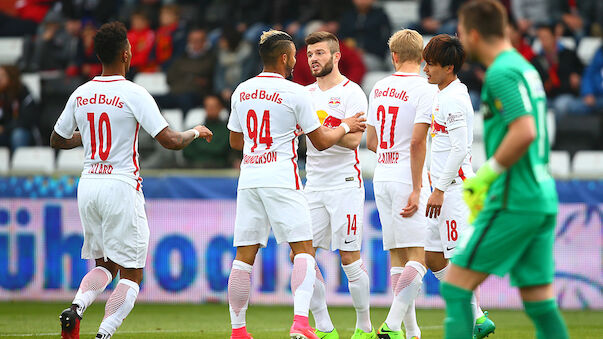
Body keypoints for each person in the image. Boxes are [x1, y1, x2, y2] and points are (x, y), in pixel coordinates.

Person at [51, 22, 212, 339]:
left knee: (106, 265)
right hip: (120, 186)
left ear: (98, 55)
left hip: (88, 185)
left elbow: (57, 139)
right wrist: (196, 131)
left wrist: (89, 137)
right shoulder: (134, 93)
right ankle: (104, 334)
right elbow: (170, 140)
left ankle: (77, 307)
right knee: (132, 274)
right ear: (126, 54)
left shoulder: (81, 93)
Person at [226, 29, 366, 339]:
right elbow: (322, 139)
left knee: (243, 257)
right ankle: (301, 324)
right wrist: (345, 125)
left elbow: (236, 140)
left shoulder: (241, 90)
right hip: (281, 177)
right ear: (284, 58)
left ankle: (238, 330)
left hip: (249, 177)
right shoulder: (296, 92)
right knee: (304, 251)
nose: (298, 62)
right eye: (294, 57)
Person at [443, 1, 570, 338]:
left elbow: (524, 130)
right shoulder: (523, 67)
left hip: (515, 197)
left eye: (460, 31)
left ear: (472, 33)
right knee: (539, 302)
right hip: (541, 195)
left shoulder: (501, 72)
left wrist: (486, 175)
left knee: (455, 287)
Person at [416, 34, 495, 339]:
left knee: (457, 259)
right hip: (442, 190)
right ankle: (476, 316)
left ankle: (473, 318)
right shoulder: (443, 93)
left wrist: (438, 189)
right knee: (433, 257)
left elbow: (461, 148)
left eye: (431, 63)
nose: (426, 68)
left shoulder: (455, 100)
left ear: (449, 67)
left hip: (453, 191)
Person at [301, 31, 374, 339]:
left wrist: (319, 132)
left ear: (336, 56)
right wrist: (334, 131)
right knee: (302, 255)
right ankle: (325, 326)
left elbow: (355, 140)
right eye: (309, 55)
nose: (314, 59)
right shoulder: (304, 94)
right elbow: (315, 139)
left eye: (319, 53)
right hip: (313, 185)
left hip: (345, 184)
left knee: (349, 257)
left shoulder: (352, 93)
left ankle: (364, 327)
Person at [366, 29, 435, 339]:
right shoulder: (425, 89)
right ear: (422, 57)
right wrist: (419, 187)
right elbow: (418, 142)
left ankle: (412, 332)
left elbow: (370, 141)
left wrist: (390, 153)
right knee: (419, 257)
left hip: (382, 174)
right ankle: (393, 326)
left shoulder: (378, 86)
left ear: (394, 56)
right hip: (409, 178)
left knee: (397, 255)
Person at [183, 94, 231, 168]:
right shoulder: (196, 130)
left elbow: (225, 150)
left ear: (221, 108)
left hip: (221, 168)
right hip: (195, 168)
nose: (210, 109)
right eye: (208, 106)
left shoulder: (227, 131)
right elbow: (187, 151)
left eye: (214, 106)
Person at [0, 65, 37, 150]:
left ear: (11, 77)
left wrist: (4, 128)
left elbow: (25, 121)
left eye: (2, 76)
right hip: (4, 134)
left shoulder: (23, 94)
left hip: (24, 132)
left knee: (18, 134)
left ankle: (20, 162)